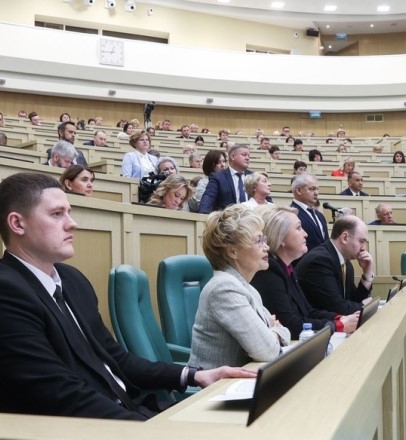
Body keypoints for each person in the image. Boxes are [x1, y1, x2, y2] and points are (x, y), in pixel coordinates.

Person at [0, 172, 254, 420]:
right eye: (57, 214)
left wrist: (194, 375)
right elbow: (58, 394)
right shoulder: (7, 291)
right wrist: (151, 432)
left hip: (132, 410)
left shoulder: (72, 280)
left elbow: (117, 359)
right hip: (92, 431)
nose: (72, 223)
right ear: (18, 224)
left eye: (69, 212)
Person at [188, 205, 290, 369]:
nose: (267, 247)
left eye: (264, 239)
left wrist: (272, 332)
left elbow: (284, 330)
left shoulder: (247, 288)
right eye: (258, 241)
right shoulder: (224, 288)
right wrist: (273, 331)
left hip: (241, 378)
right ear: (233, 251)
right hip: (217, 384)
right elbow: (267, 351)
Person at [251, 206, 360, 339]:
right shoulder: (268, 272)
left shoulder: (287, 268)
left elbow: (308, 312)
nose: (305, 234)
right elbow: (290, 324)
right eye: (298, 228)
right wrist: (339, 325)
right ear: (280, 237)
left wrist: (341, 318)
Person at [295, 215, 374, 315]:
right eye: (361, 241)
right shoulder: (319, 261)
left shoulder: (345, 262)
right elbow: (337, 308)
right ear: (344, 238)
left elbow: (352, 300)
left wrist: (367, 273)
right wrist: (364, 306)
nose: (364, 248)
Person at [199, 144, 252, 213]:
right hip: (227, 218)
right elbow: (209, 197)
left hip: (250, 217)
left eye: (248, 156)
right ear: (233, 156)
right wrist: (203, 214)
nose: (247, 158)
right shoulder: (218, 177)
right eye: (244, 155)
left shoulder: (253, 176)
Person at [290, 173, 328, 252]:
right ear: (298, 190)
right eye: (312, 189)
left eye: (317, 189)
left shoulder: (320, 216)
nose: (317, 193)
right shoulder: (291, 214)